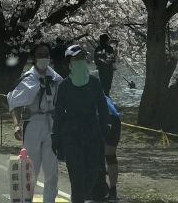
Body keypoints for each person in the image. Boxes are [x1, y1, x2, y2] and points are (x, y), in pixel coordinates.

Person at [52, 44, 109, 203]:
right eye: (76, 58)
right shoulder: (64, 86)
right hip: (71, 136)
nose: (80, 61)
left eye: (82, 57)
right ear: (68, 63)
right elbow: (58, 113)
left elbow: (103, 107)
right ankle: (78, 198)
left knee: (92, 173)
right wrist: (55, 137)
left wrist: (106, 128)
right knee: (77, 177)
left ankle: (80, 197)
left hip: (92, 134)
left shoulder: (94, 82)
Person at [7, 42, 63, 203]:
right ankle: (26, 200)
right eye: (40, 55)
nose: (44, 58)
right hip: (33, 124)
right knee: (30, 168)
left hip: (52, 125)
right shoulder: (28, 78)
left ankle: (49, 200)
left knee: (52, 170)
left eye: (46, 54)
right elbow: (14, 103)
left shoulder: (56, 78)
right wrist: (17, 125)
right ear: (33, 58)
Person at [104, 94, 122, 203]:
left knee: (97, 153)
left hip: (105, 118)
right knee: (110, 156)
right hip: (115, 119)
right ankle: (113, 190)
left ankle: (101, 187)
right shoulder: (105, 95)